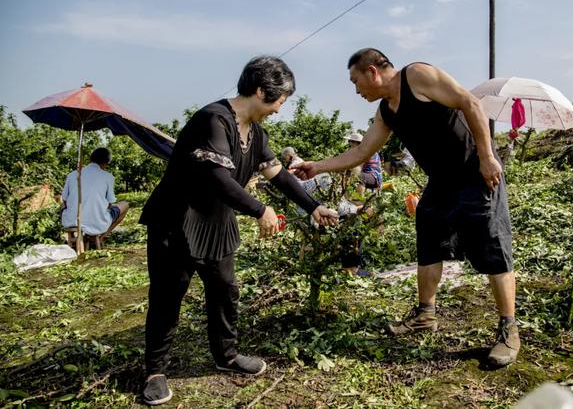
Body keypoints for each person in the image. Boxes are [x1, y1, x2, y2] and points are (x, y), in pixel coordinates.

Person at [294, 48, 519, 367]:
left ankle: (508, 329)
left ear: (372, 71)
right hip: (441, 181)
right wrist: (317, 166)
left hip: (474, 171)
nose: (356, 90)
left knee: (492, 244)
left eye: (356, 81)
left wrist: (487, 156)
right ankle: (425, 315)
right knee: (428, 236)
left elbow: (470, 102)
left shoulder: (417, 76)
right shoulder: (386, 111)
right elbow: (361, 153)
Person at [138, 56, 338, 406]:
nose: (279, 109)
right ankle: (154, 371)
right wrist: (260, 210)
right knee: (169, 296)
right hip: (177, 220)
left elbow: (280, 176)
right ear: (262, 91)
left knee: (225, 291)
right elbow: (216, 177)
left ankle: (226, 355)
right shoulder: (212, 120)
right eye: (280, 100)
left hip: (216, 223)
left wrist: (313, 206)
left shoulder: (257, 134)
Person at [61, 147, 129, 243]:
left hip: (71, 221)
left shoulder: (72, 174)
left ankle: (73, 238)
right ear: (106, 163)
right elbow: (110, 203)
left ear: (90, 159)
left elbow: (64, 200)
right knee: (125, 205)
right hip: (98, 223)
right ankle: (102, 237)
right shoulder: (108, 177)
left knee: (63, 205)